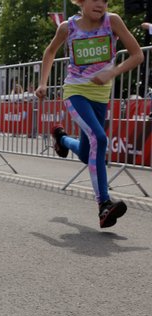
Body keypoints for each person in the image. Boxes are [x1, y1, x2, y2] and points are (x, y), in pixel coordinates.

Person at [35, 0, 143, 228]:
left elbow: (137, 55)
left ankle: (62, 138)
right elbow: (50, 51)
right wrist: (42, 83)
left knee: (87, 154)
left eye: (104, 0)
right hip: (76, 92)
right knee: (99, 139)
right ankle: (104, 204)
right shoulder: (68, 27)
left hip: (101, 96)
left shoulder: (112, 21)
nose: (100, 4)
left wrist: (111, 72)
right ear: (80, 2)